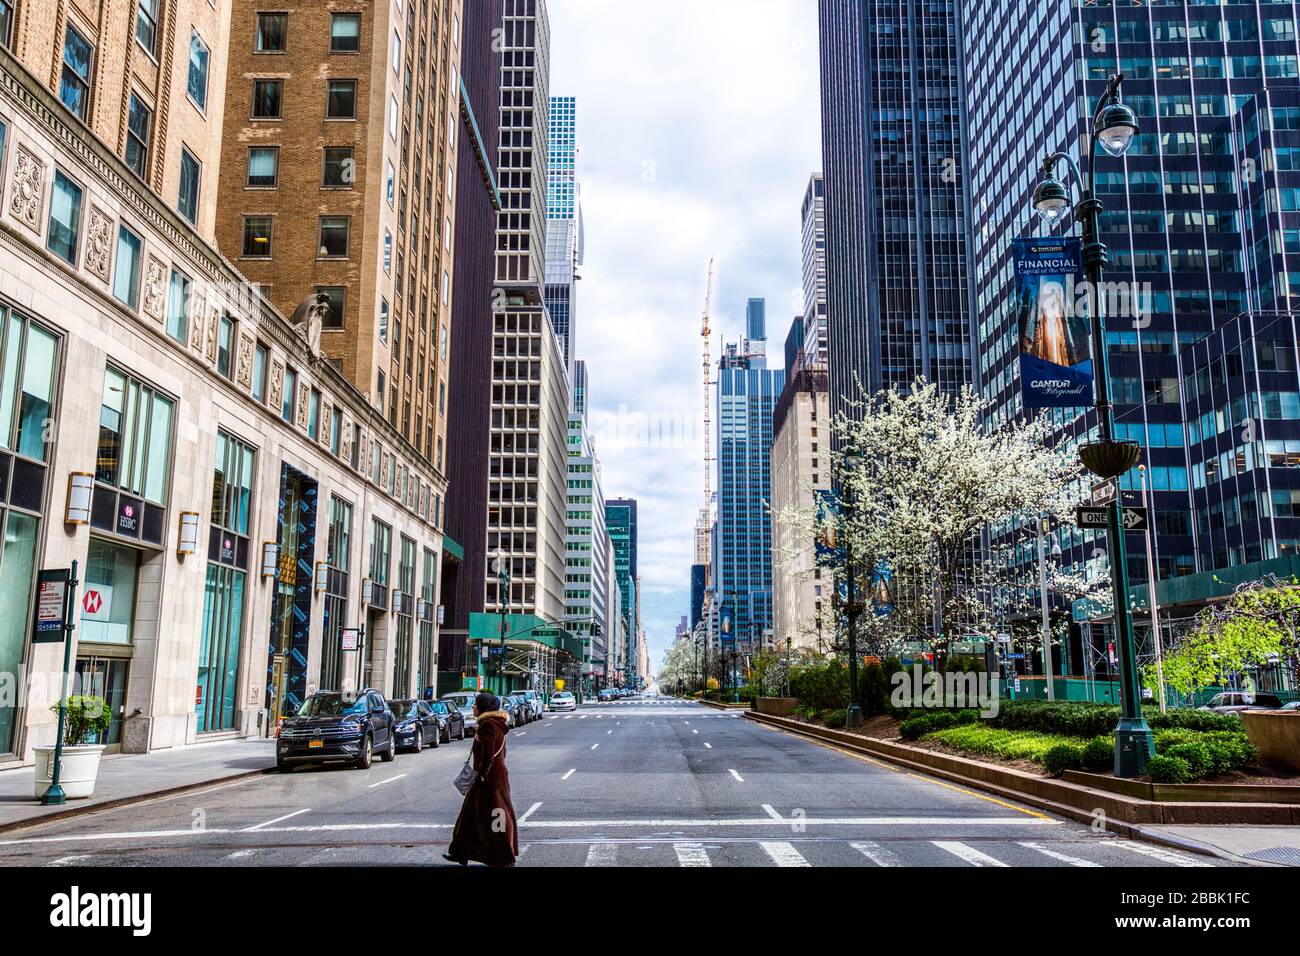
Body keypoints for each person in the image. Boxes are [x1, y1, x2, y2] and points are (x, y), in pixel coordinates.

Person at [444, 692, 519, 867]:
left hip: (489, 780)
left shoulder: (488, 726)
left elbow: (488, 756)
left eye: (475, 705)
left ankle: (505, 857)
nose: (473, 707)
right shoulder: (494, 724)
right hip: (492, 777)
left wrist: (482, 775)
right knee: (469, 815)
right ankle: (459, 852)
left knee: (496, 817)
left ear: (483, 707)